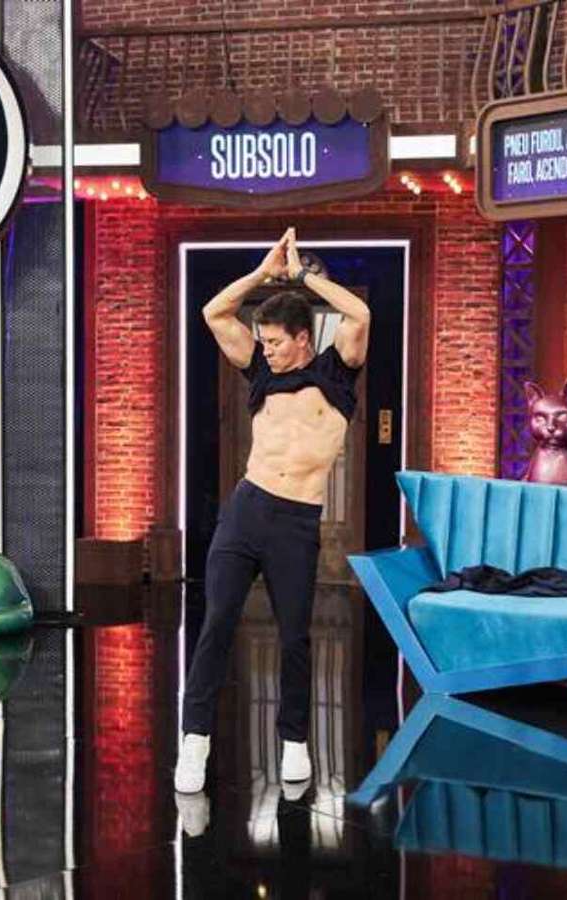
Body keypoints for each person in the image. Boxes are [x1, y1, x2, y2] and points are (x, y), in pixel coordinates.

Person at [174, 228, 370, 794]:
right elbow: (214, 312)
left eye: (277, 342)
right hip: (246, 510)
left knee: (293, 638)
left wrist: (304, 277)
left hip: (296, 521)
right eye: (263, 341)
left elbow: (360, 315)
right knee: (217, 622)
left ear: (304, 338)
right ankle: (195, 741)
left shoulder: (337, 372)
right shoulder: (259, 372)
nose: (267, 350)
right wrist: (263, 274)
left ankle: (294, 743)